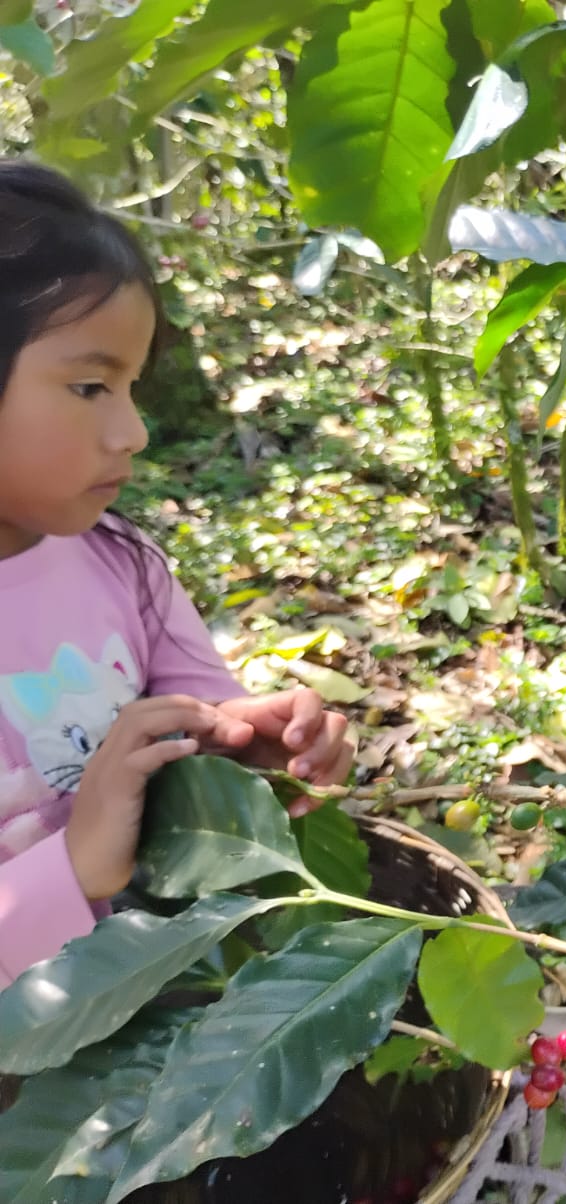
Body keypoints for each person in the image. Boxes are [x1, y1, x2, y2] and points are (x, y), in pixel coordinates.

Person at [0, 161, 356, 987]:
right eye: (90, 386)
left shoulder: (119, 562)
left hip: (155, 1014)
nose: (131, 433)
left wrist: (255, 746)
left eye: (129, 388)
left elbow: (203, 721)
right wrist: (73, 868)